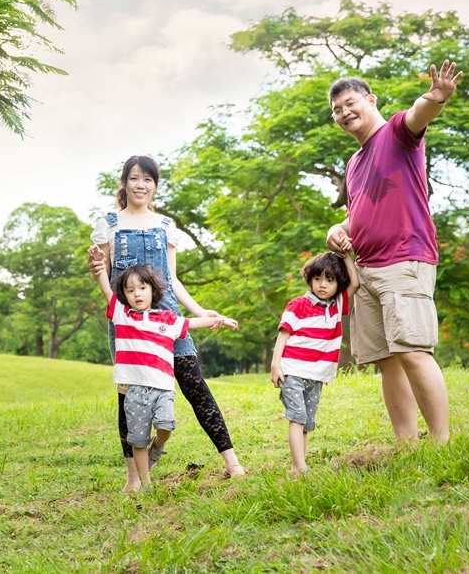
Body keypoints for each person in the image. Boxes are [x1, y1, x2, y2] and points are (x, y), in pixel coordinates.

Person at [89, 155, 246, 492]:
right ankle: (134, 478)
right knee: (129, 396)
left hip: (169, 319)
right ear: (124, 183)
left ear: (155, 185)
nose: (140, 185)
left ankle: (232, 463)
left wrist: (201, 311)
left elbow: (172, 279)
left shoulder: (165, 226)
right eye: (134, 178)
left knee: (194, 384)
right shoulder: (109, 224)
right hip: (128, 323)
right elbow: (104, 277)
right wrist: (120, 312)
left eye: (147, 179)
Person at [325, 60, 463, 444]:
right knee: (388, 362)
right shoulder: (354, 162)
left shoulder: (397, 134)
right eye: (336, 109)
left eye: (350, 103)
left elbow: (420, 114)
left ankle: (440, 443)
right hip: (365, 271)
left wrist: (436, 98)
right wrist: (337, 229)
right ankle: (406, 443)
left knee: (414, 351)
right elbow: (358, 214)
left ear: (370, 100)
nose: (344, 113)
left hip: (404, 259)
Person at [90, 259, 238, 489]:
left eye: (142, 288)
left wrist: (220, 320)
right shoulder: (122, 315)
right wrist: (99, 272)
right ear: (124, 295)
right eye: (130, 290)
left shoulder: (167, 320)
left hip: (163, 387)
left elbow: (192, 323)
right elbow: (106, 291)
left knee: (166, 426)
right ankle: (146, 484)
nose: (137, 294)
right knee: (138, 438)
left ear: (152, 290)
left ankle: (157, 447)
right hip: (134, 388)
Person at [270, 252, 359, 474]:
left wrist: (347, 255)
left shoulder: (337, 306)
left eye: (330, 280)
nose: (322, 285)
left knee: (307, 422)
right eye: (318, 278)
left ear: (338, 284)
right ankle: (301, 467)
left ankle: (295, 468)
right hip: (292, 371)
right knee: (297, 417)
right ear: (310, 279)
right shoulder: (298, 304)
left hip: (316, 376)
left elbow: (355, 282)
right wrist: (275, 365)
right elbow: (283, 334)